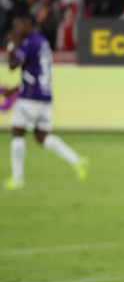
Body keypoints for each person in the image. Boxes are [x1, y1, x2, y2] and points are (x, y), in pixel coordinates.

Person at [4, 13, 88, 191]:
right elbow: (35, 72)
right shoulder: (42, 42)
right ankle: (76, 160)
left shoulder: (28, 43)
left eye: (18, 24)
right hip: (44, 96)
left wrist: (11, 44)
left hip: (31, 98)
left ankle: (17, 179)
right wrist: (17, 89)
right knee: (41, 137)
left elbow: (12, 66)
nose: (16, 29)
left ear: (28, 23)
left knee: (17, 132)